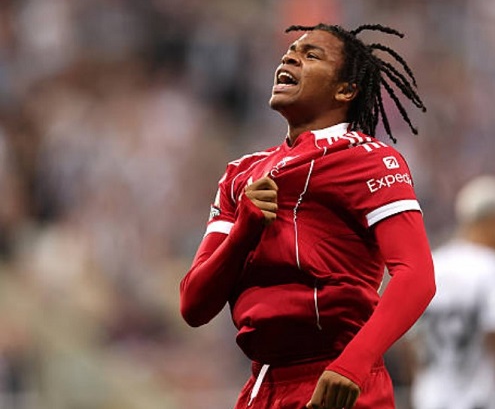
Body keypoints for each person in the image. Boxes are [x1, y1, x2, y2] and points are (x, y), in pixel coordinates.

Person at [179, 23, 436, 409]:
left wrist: (354, 364)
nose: (290, 59)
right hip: (260, 386)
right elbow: (193, 305)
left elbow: (417, 275)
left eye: (311, 55)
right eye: (289, 53)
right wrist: (245, 229)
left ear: (345, 89)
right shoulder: (240, 175)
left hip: (334, 381)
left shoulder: (370, 160)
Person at [403, 176, 495, 409]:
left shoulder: (433, 264)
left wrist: (421, 385)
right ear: (493, 222)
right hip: (478, 400)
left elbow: (410, 339)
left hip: (430, 399)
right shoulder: (493, 267)